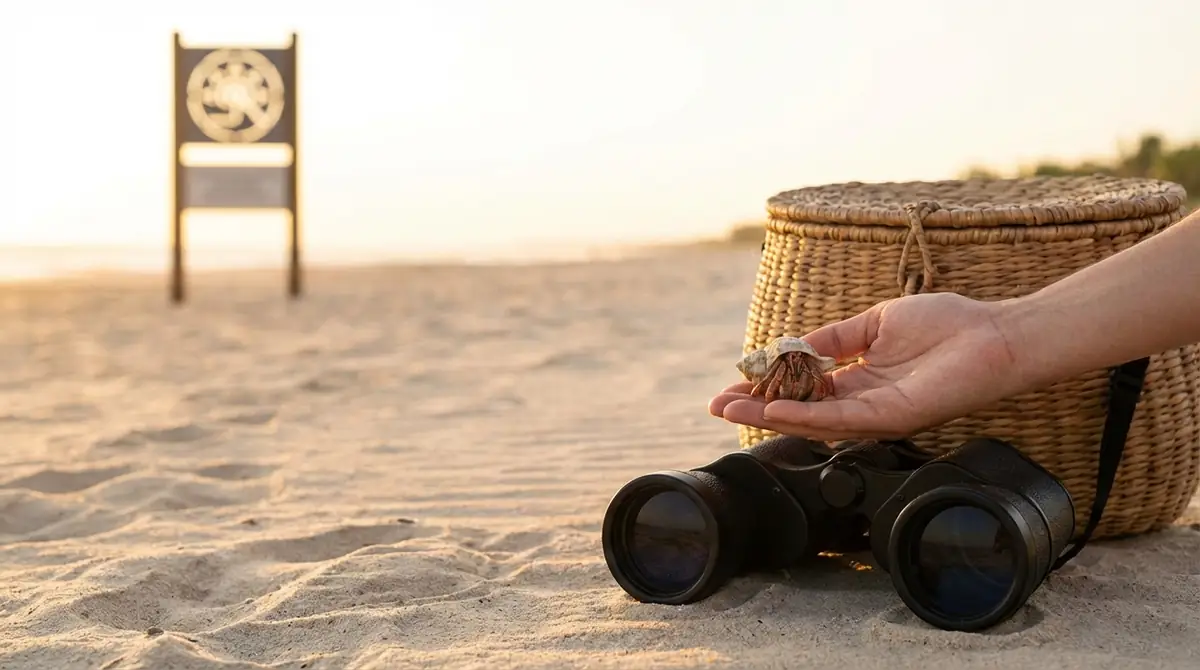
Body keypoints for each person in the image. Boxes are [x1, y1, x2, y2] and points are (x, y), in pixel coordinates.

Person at [709, 206, 1200, 442]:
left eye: (800, 363)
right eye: (795, 363)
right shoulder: (788, 364)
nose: (798, 365)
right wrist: (1005, 334)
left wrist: (1003, 336)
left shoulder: (807, 362)